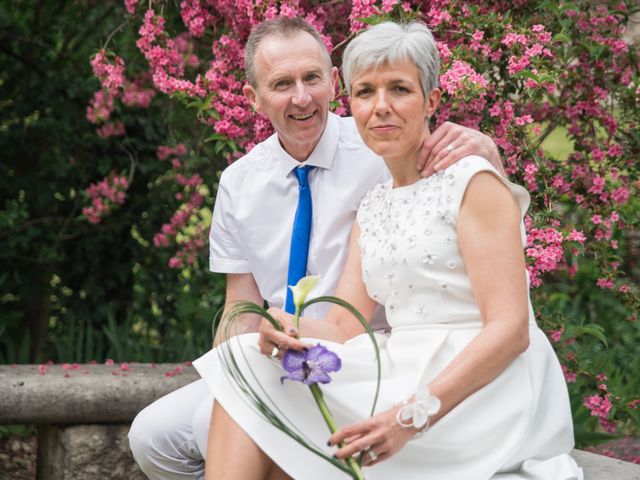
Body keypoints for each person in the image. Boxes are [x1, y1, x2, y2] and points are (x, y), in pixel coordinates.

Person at [194, 21, 583, 480]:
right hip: (399, 367)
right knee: (250, 370)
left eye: (399, 89)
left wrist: (408, 417)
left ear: (432, 100)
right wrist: (283, 323)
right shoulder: (374, 205)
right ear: (350, 105)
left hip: (486, 392)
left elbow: (512, 330)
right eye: (365, 93)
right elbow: (343, 324)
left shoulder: (471, 183)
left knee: (290, 447)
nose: (381, 108)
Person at [129, 17, 503, 479]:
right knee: (152, 435)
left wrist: (488, 150)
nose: (302, 97)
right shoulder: (239, 183)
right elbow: (239, 307)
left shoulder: (378, 146)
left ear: (333, 82)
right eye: (282, 84)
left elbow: (456, 187)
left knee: (241, 425)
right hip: (287, 343)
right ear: (254, 98)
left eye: (312, 79)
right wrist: (245, 354)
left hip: (369, 352)